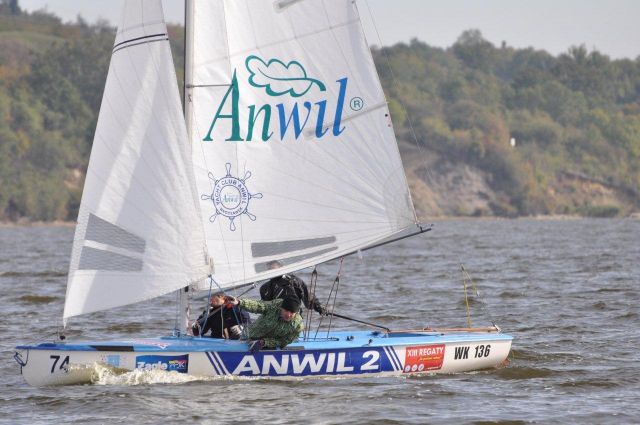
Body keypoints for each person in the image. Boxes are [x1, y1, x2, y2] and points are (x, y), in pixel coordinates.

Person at [226, 295, 304, 351]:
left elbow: (283, 341)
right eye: (286, 311)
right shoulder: (274, 306)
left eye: (292, 313)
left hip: (268, 344)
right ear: (281, 308)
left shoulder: (298, 326)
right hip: (251, 334)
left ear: (296, 312)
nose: (288, 315)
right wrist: (239, 302)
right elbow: (258, 305)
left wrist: (264, 342)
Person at [259, 261, 327, 315]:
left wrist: (319, 307)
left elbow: (308, 299)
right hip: (274, 321)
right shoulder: (264, 288)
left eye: (273, 268)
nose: (271, 270)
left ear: (281, 267)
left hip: (293, 319)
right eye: (269, 269)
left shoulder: (295, 282)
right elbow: (264, 309)